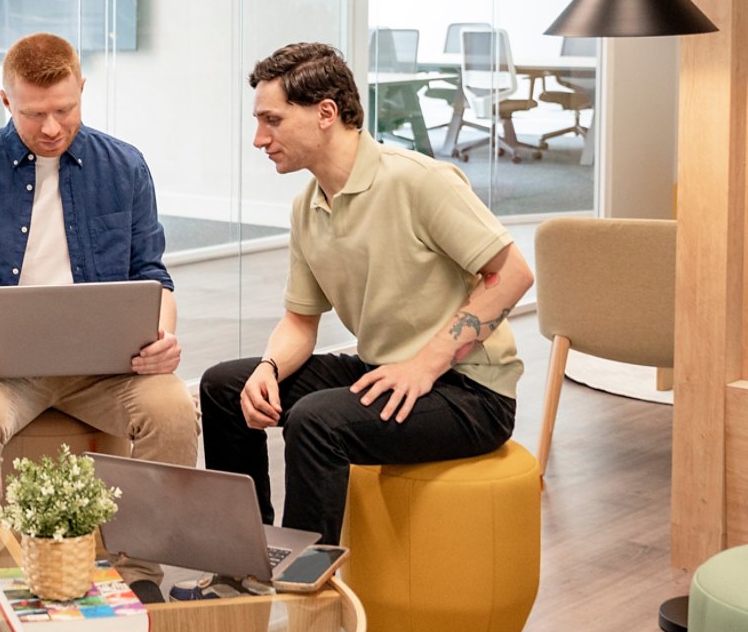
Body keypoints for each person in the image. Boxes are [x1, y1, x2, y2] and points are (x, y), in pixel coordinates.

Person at [200, 42, 532, 544]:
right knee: (226, 387)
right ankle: (243, 553)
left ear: (325, 113)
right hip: (383, 370)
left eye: (272, 120)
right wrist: (266, 370)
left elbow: (512, 275)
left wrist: (424, 365)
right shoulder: (307, 206)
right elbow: (299, 322)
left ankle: (304, 587)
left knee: (317, 421)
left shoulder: (420, 181)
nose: (259, 138)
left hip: (469, 391)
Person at [0, 32, 194, 602]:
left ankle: (142, 573)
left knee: (173, 410)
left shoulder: (125, 167)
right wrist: (5, 323)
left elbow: (153, 276)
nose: (50, 127)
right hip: (2, 363)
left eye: (64, 110)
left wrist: (163, 332)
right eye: (33, 113)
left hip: (106, 364)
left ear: (82, 90)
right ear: (5, 101)